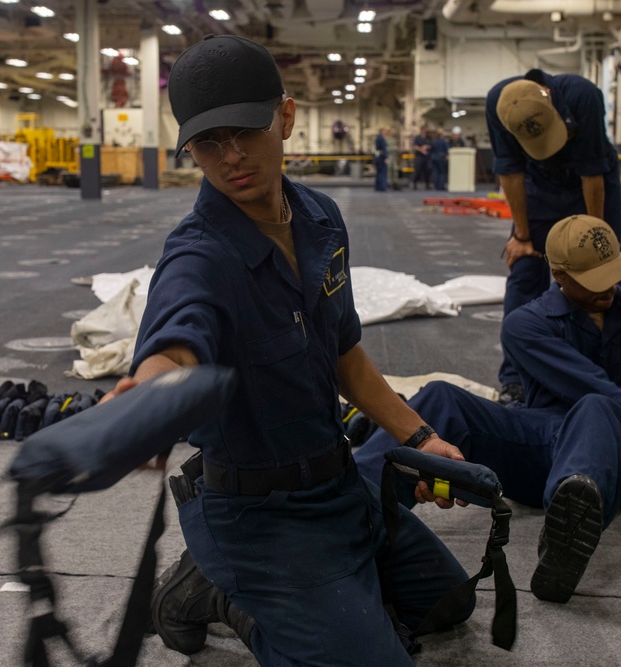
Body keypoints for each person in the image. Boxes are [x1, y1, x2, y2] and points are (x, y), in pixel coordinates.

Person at [104, 35, 473, 665]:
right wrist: (153, 393)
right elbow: (177, 337)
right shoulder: (199, 256)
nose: (230, 156)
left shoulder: (321, 218)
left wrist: (419, 440)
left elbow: (345, 355)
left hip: (337, 485)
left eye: (245, 130)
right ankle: (224, 593)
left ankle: (321, 597)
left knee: (446, 605)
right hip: (258, 518)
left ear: (287, 116)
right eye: (207, 142)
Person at [355, 215, 621, 605]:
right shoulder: (526, 324)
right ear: (559, 274)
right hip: (540, 443)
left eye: (613, 273)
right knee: (442, 395)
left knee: (598, 409)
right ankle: (351, 509)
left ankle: (567, 533)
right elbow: (592, 383)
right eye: (594, 280)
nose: (609, 288)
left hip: (611, 455)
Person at [486, 68, 621, 406]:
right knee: (524, 274)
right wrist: (522, 235)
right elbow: (511, 173)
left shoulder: (583, 96)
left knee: (603, 279)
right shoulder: (498, 103)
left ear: (547, 97)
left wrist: (595, 242)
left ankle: (611, 374)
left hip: (590, 185)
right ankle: (516, 379)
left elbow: (592, 175)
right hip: (538, 188)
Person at [374, 126, 389, 192]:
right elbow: (383, 149)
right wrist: (386, 157)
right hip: (381, 158)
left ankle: (378, 187)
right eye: (384, 131)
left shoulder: (377, 138)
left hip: (378, 157)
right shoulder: (382, 139)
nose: (385, 132)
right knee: (382, 173)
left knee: (378, 173)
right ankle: (382, 187)